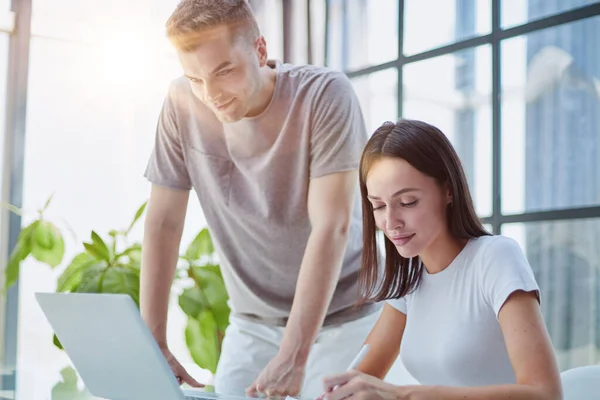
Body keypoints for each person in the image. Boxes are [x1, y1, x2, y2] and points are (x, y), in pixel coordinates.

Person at [139, 0, 380, 398]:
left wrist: (294, 353)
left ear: (260, 50)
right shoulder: (182, 103)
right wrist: (154, 343)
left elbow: (332, 225)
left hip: (345, 316)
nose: (211, 94)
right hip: (252, 320)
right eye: (195, 78)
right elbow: (164, 221)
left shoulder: (324, 94)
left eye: (224, 71)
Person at [319, 119, 562, 400]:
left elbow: (545, 393)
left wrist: (402, 395)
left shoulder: (495, 258)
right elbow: (362, 379)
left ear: (448, 190)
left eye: (408, 202)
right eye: (378, 205)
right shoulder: (409, 279)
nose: (391, 222)